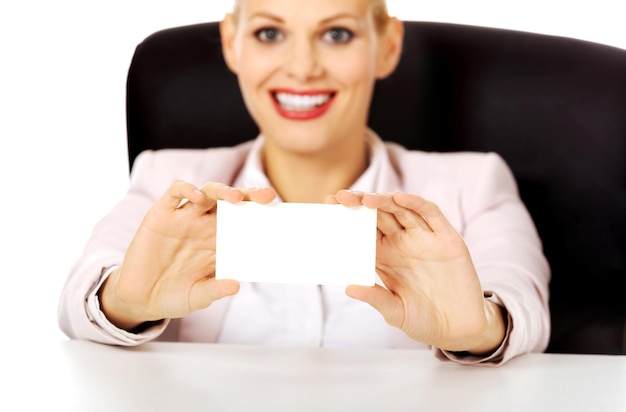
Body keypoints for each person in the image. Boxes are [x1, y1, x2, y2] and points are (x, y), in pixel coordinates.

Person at [58, 0, 550, 366]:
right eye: (271, 33)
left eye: (336, 34)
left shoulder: (473, 183)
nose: (301, 67)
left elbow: (521, 302)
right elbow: (79, 301)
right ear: (232, 42)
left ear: (388, 46)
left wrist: (477, 327)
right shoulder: (167, 178)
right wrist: (124, 301)